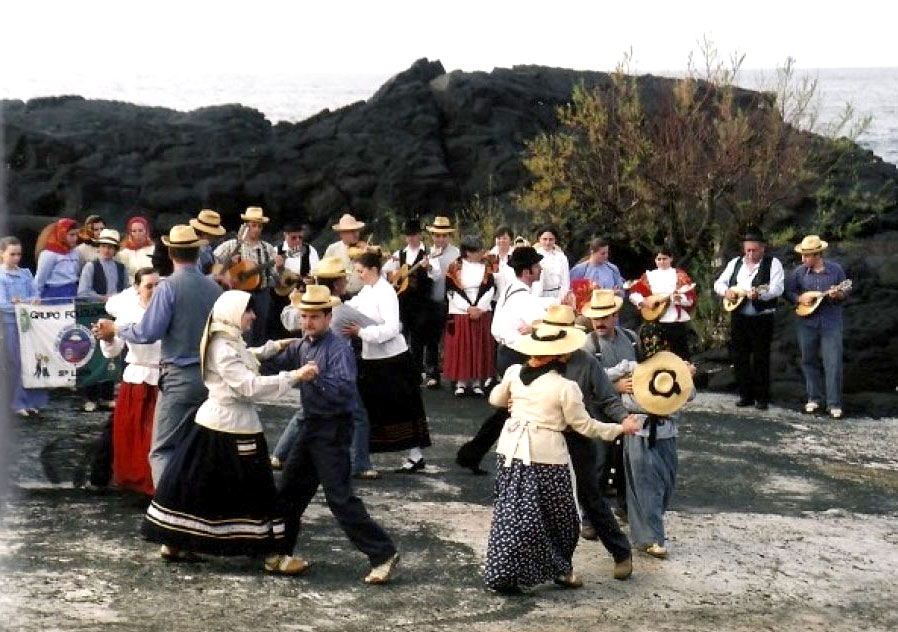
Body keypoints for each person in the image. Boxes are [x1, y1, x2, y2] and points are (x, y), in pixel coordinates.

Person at [141, 290, 307, 573]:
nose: (253, 316)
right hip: (234, 426)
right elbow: (247, 386)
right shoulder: (224, 345)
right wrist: (293, 377)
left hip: (214, 424)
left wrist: (273, 347)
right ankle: (271, 555)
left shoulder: (225, 337)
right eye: (248, 311)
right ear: (233, 312)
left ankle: (175, 541)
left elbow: (245, 355)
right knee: (257, 492)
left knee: (195, 487)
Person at [484, 323, 640, 593]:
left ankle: (619, 552)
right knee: (544, 516)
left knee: (587, 499)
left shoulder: (585, 363)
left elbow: (605, 399)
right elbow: (500, 399)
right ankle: (556, 569)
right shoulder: (546, 379)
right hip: (539, 448)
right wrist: (619, 429)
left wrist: (623, 420)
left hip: (565, 444)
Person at [266, 285, 400, 584]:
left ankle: (383, 554)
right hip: (313, 426)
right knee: (290, 491)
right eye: (304, 316)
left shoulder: (337, 348)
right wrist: (250, 355)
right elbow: (278, 362)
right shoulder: (304, 345)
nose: (307, 322)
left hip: (333, 428)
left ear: (328, 317)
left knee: (339, 497)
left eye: (314, 317)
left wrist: (314, 379)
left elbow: (344, 389)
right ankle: (278, 551)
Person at [93, 225, 222, 485]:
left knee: (163, 449)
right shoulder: (213, 289)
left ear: (172, 253)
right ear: (197, 253)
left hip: (178, 376)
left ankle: (167, 510)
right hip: (210, 376)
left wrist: (116, 327)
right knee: (198, 443)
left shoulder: (169, 287)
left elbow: (147, 332)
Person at [272, 257, 380, 480]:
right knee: (357, 413)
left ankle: (280, 454)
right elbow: (374, 326)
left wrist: (294, 301)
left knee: (306, 411)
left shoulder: (305, 305)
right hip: (335, 363)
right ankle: (360, 463)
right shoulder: (341, 309)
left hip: (308, 357)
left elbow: (287, 320)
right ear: (339, 283)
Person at [455, 246, 556, 474]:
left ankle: (472, 454)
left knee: (509, 410)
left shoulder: (512, 290)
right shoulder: (522, 297)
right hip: (518, 356)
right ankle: (485, 456)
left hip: (506, 353)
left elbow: (497, 327)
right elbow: (544, 326)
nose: (540, 268)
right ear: (528, 271)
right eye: (537, 265)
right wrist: (537, 325)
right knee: (515, 410)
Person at [343, 251, 431, 472]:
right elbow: (352, 305)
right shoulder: (368, 289)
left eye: (361, 271)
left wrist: (362, 332)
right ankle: (362, 455)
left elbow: (393, 327)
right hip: (373, 358)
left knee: (403, 407)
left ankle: (415, 455)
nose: (359, 275)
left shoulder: (386, 292)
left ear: (373, 270)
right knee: (372, 408)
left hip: (393, 359)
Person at [607, 351, 695, 559]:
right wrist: (617, 387)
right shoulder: (629, 367)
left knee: (666, 483)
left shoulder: (676, 369)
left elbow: (689, 395)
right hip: (640, 431)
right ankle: (652, 538)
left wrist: (687, 376)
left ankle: (646, 528)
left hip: (667, 432)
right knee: (646, 486)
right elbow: (599, 378)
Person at [100, 267, 161, 495]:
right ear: (137, 288)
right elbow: (113, 350)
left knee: (154, 436)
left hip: (163, 379)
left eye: (157, 286)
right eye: (148, 286)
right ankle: (134, 481)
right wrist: (107, 338)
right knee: (133, 434)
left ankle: (155, 483)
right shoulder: (128, 313)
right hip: (136, 378)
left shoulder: (167, 311)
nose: (154, 291)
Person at [581, 289, 641, 521]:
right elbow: (584, 381)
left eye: (604, 317)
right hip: (597, 410)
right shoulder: (588, 344)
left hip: (627, 409)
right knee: (598, 463)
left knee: (627, 462)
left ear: (615, 316)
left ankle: (626, 507)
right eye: (596, 318)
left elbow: (641, 368)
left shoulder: (631, 339)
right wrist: (614, 387)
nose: (599, 322)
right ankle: (590, 518)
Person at [713, 227, 785, 410]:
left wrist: (760, 295)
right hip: (739, 316)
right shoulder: (735, 263)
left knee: (761, 357)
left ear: (763, 248)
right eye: (748, 250)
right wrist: (726, 291)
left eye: (754, 250)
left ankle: (762, 398)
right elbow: (718, 283)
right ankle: (745, 395)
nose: (751, 254)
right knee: (740, 356)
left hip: (762, 317)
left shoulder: (773, 263)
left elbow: (777, 288)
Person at [784, 235, 849, 419]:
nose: (803, 259)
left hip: (831, 322)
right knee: (808, 360)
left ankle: (834, 404)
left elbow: (846, 293)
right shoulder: (798, 272)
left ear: (817, 254)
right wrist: (799, 298)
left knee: (833, 362)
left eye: (807, 256)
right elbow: (788, 291)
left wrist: (838, 295)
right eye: (802, 256)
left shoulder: (836, 271)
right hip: (807, 323)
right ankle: (814, 399)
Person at [382, 218, 441, 379]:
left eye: (414, 235)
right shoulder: (399, 254)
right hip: (403, 302)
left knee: (420, 337)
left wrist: (428, 266)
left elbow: (436, 274)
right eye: (408, 235)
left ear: (420, 235)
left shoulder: (429, 253)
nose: (411, 238)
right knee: (402, 335)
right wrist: (393, 279)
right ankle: (408, 371)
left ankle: (423, 371)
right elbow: (384, 271)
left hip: (422, 302)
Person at [213, 207, 282, 346]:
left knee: (261, 331)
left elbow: (275, 277)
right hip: (239, 294)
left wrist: (280, 268)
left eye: (259, 226)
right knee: (243, 333)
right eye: (253, 225)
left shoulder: (267, 248)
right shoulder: (233, 245)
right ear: (246, 226)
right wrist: (228, 267)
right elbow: (213, 264)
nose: (256, 229)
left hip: (262, 294)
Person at [77, 228, 127, 411]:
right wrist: (102, 297)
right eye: (104, 246)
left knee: (112, 354)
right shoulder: (91, 266)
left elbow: (127, 290)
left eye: (110, 247)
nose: (107, 250)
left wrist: (119, 298)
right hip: (94, 314)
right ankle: (90, 397)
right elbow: (83, 292)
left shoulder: (121, 268)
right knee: (93, 355)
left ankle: (106, 395)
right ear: (99, 247)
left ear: (115, 249)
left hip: (114, 314)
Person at [0, 236, 48, 418]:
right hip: (10, 325)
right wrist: (25, 304)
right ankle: (16, 402)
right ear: (2, 254)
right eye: (12, 254)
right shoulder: (1, 276)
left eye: (19, 254)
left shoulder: (26, 273)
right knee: (15, 363)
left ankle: (31, 401)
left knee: (33, 362)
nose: (16, 258)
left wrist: (23, 301)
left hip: (30, 324)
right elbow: (3, 304)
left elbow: (36, 296)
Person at [443, 234, 496, 396]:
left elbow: (491, 289)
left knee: (479, 346)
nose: (481, 253)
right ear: (467, 252)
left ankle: (477, 382)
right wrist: (468, 308)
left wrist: (479, 308)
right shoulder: (454, 267)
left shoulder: (487, 266)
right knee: (462, 347)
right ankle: (461, 382)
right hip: (460, 312)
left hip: (482, 312)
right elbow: (451, 291)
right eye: (477, 250)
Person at [627, 245, 696, 359]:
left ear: (671, 259)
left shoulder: (680, 276)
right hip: (656, 321)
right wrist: (644, 302)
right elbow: (634, 293)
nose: (662, 262)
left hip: (675, 321)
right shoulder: (649, 276)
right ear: (655, 260)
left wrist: (680, 300)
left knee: (681, 354)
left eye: (664, 258)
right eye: (659, 259)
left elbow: (690, 298)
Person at [420, 216, 461, 389]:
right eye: (437, 235)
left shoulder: (457, 253)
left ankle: (455, 373)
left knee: (453, 339)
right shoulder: (427, 253)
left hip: (453, 300)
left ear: (449, 237)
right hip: (433, 300)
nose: (440, 239)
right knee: (431, 339)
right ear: (433, 236)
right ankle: (432, 373)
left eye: (444, 236)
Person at [35, 218, 81, 302]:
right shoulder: (49, 254)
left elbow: (76, 271)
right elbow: (40, 278)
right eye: (71, 235)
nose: (75, 238)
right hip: (54, 294)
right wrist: (35, 296)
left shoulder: (75, 252)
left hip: (72, 291)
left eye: (76, 235)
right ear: (62, 234)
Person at [323, 213, 366, 296]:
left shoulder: (365, 249)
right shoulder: (333, 249)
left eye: (356, 230)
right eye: (350, 231)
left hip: (362, 294)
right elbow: (325, 272)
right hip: (341, 294)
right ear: (341, 234)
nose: (355, 234)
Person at [532, 224, 570, 300]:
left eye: (551, 239)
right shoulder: (533, 257)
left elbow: (565, 280)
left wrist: (562, 298)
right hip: (539, 295)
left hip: (558, 294)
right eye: (545, 239)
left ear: (555, 240)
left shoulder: (561, 257)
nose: (547, 242)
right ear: (539, 239)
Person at [116, 216, 156, 281]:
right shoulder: (123, 253)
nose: (137, 234)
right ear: (130, 232)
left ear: (146, 231)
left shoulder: (154, 250)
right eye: (134, 231)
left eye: (140, 230)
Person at [189, 209, 227, 275]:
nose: (216, 236)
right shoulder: (194, 252)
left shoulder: (207, 248)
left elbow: (215, 266)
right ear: (205, 234)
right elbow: (195, 278)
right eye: (214, 234)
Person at [487, 225, 516, 304]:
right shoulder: (490, 257)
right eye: (498, 238)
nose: (501, 241)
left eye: (504, 238)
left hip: (514, 298)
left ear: (511, 240)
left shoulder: (516, 256)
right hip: (495, 299)